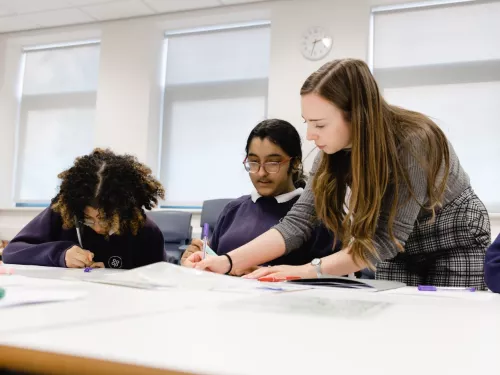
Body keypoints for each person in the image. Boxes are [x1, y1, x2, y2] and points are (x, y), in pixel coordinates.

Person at [186, 58, 490, 288]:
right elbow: (296, 224)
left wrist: (305, 270)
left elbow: (384, 240)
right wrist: (226, 262)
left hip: (451, 235)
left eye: (319, 124)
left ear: (357, 116)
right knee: (398, 327)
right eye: (308, 122)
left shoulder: (414, 142)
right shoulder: (330, 154)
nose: (310, 136)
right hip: (398, 246)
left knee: (446, 327)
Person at [181, 119, 337, 275]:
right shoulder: (233, 210)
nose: (261, 173)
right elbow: (212, 266)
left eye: (273, 163)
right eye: (254, 162)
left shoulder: (316, 216)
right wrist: (197, 260)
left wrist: (269, 275)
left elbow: (330, 275)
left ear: (295, 163)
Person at [3, 148, 167, 269]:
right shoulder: (65, 213)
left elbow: (158, 281)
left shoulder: (146, 232)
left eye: (105, 219)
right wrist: (60, 254)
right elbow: (11, 252)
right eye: (88, 219)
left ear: (124, 210)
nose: (96, 228)